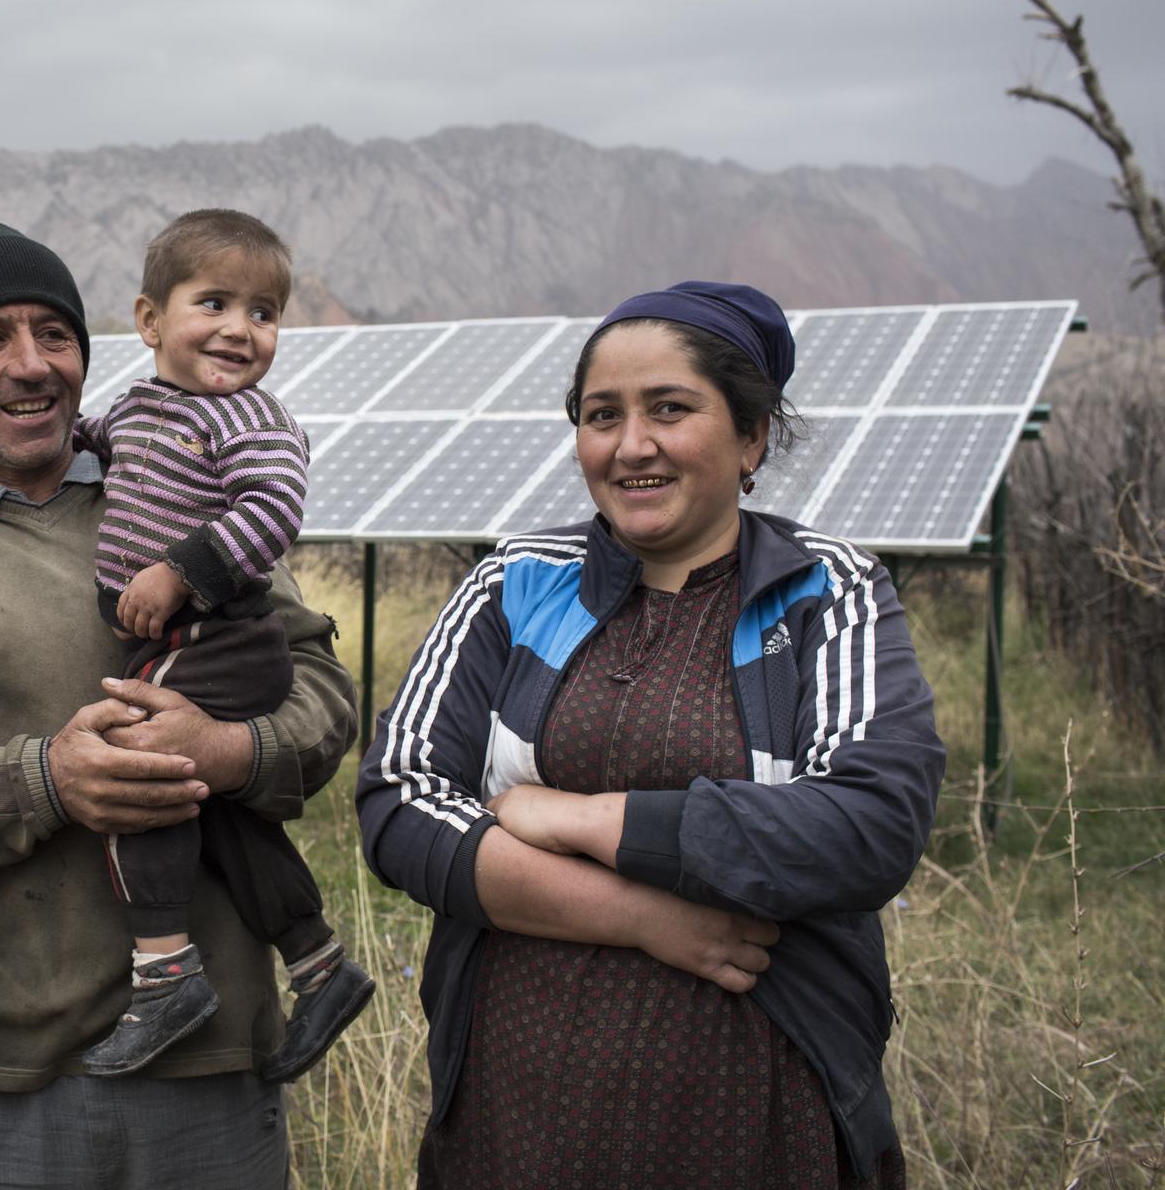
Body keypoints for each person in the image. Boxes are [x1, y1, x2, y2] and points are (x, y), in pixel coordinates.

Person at [0, 213, 357, 1190]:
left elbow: (320, 694)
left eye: (54, 334)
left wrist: (225, 751)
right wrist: (45, 779)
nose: (31, 364)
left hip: (209, 1079)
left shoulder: (182, 497)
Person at [356, 281, 944, 1188]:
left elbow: (868, 825)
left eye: (671, 408)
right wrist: (644, 919)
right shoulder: (516, 581)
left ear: (751, 437)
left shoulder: (832, 592)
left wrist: (582, 819)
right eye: (602, 416)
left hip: (760, 1119)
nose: (632, 446)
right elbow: (397, 801)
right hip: (515, 1116)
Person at [74, 209, 374, 1079]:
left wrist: (179, 570)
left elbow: (273, 510)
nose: (241, 329)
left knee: (138, 771)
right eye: (214, 303)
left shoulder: (248, 417)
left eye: (264, 312)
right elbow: (94, 445)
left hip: (219, 632)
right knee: (221, 813)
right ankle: (320, 966)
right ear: (149, 321)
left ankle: (165, 974)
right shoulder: (141, 406)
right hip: (179, 633)